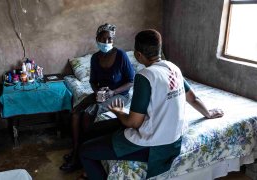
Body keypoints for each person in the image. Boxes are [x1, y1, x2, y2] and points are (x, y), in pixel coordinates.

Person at [78, 29, 224, 180]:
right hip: (174, 139)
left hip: (155, 145)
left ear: (138, 55)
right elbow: (193, 99)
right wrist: (209, 113)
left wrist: (118, 111)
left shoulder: (144, 76)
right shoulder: (174, 68)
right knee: (94, 130)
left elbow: (133, 123)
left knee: (85, 151)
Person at [59, 23, 135, 172]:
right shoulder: (95, 58)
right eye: (103, 39)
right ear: (97, 38)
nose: (106, 42)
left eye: (110, 39)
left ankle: (79, 156)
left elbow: (130, 81)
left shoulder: (121, 55)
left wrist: (112, 93)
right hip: (100, 93)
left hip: (119, 95)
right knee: (75, 112)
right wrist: (98, 91)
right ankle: (76, 149)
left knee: (89, 113)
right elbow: (93, 81)